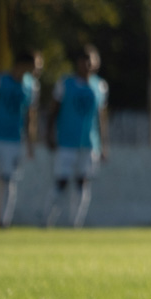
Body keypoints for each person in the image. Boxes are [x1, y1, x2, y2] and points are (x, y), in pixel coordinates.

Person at [0, 51, 41, 229]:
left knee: (8, 180)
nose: (37, 69)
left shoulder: (32, 86)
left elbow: (30, 116)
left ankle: (4, 220)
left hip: (14, 139)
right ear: (23, 64)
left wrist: (30, 142)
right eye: (34, 65)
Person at [44, 45, 109, 228]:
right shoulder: (65, 84)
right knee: (61, 181)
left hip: (89, 143)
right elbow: (53, 112)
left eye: (92, 60)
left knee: (83, 182)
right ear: (78, 62)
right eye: (84, 59)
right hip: (66, 141)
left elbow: (101, 118)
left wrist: (103, 145)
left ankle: (76, 223)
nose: (88, 64)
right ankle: (47, 220)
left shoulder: (100, 86)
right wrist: (49, 134)